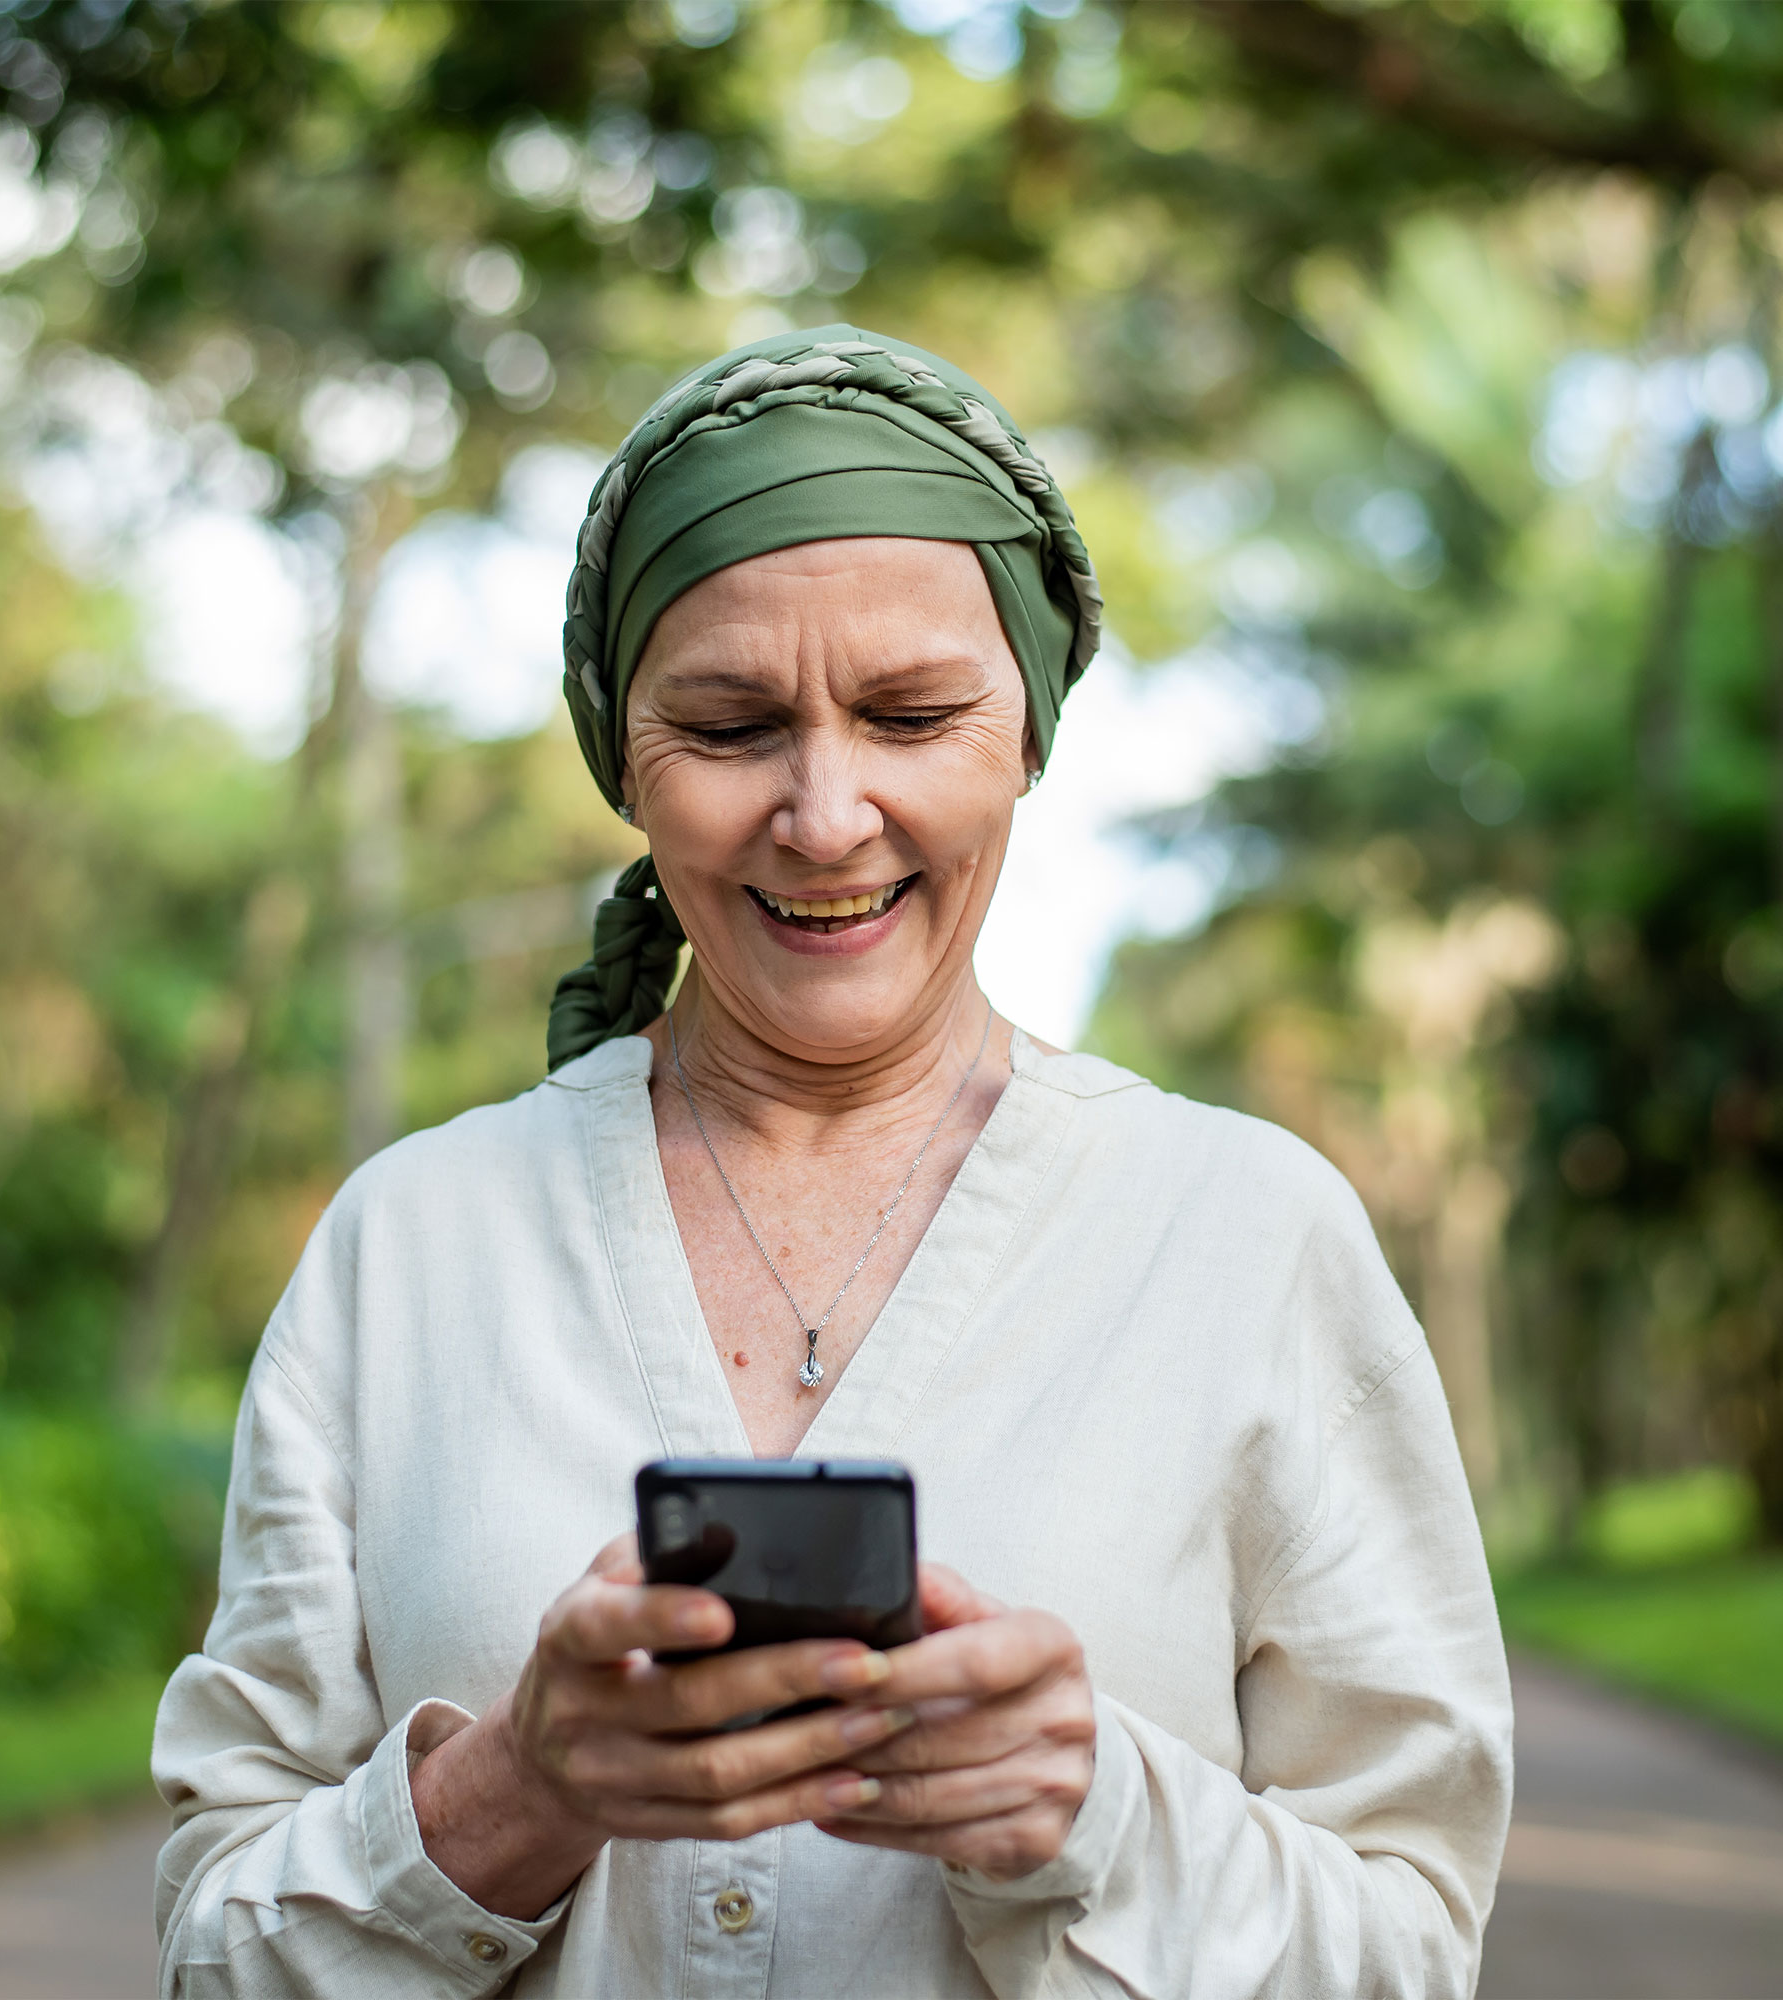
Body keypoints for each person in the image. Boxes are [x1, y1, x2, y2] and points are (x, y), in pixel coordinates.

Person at [152, 326, 1512, 1999]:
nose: (825, 814)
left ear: (1027, 734)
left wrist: (1093, 1817)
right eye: (730, 726)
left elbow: (1407, 1948)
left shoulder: (1248, 1237)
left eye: (912, 714)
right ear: (624, 759)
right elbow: (217, 1951)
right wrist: (512, 1795)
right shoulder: (411, 1249)